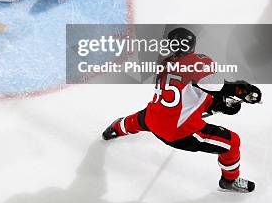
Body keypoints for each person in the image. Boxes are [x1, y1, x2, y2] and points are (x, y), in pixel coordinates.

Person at [102, 28, 261, 193]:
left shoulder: (165, 63)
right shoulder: (197, 61)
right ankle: (230, 180)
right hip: (178, 133)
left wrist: (219, 103)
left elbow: (190, 92)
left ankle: (115, 129)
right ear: (192, 45)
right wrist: (241, 90)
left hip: (153, 117)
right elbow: (215, 86)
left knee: (139, 120)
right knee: (232, 142)